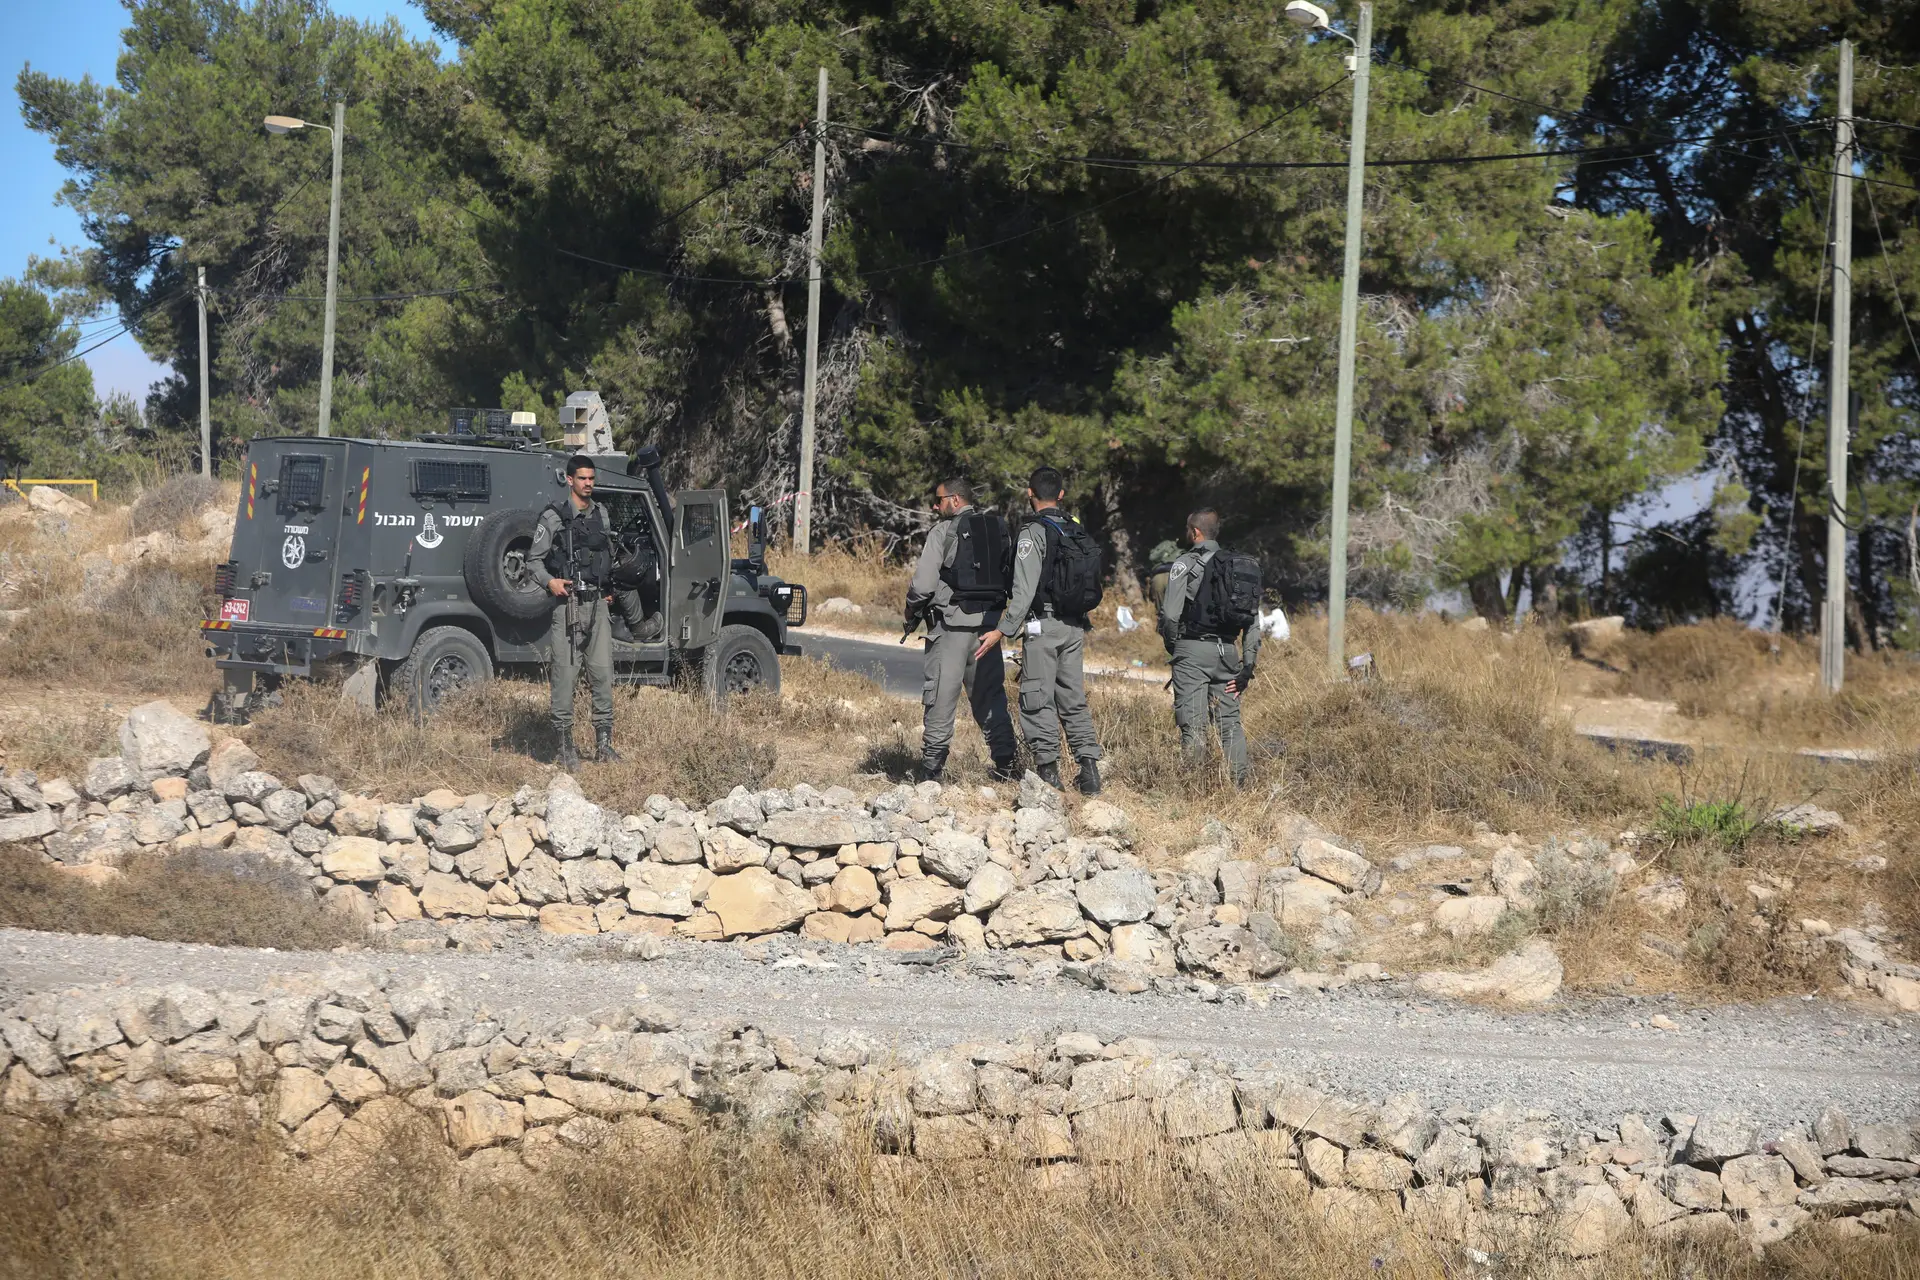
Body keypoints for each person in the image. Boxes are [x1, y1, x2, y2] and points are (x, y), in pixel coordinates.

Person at [971, 466, 1103, 794]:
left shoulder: (1033, 532)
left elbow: (1024, 590)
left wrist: (1002, 631)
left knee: (1036, 698)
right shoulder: (1074, 528)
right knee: (1073, 699)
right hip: (1074, 626)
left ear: (1029, 494)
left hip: (1042, 627)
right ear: (1060, 495)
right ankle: (1089, 772)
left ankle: (1048, 773)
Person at [905, 477, 1020, 783]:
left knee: (941, 697)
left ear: (955, 500)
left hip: (951, 628)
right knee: (991, 697)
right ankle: (1007, 765)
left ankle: (931, 772)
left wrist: (910, 611)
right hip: (988, 631)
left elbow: (922, 586)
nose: (935, 505)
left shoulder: (944, 531)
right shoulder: (998, 530)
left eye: (939, 499)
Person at [529, 454, 624, 768]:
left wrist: (608, 590)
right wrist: (551, 582)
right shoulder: (554, 517)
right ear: (569, 480)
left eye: (592, 478)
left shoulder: (602, 515)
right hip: (568, 604)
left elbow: (606, 555)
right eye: (582, 478)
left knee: (602, 675)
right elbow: (534, 562)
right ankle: (565, 748)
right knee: (565, 677)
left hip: (597, 605)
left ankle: (604, 746)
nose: (588, 484)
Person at [1159, 508, 1262, 785]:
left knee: (1193, 724)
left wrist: (1175, 646)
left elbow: (1170, 614)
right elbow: (1253, 622)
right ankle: (1240, 787)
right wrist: (1247, 667)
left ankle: (1195, 789)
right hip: (1229, 654)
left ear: (1195, 532)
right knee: (1230, 725)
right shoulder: (1240, 566)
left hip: (1193, 650)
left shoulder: (1185, 563)